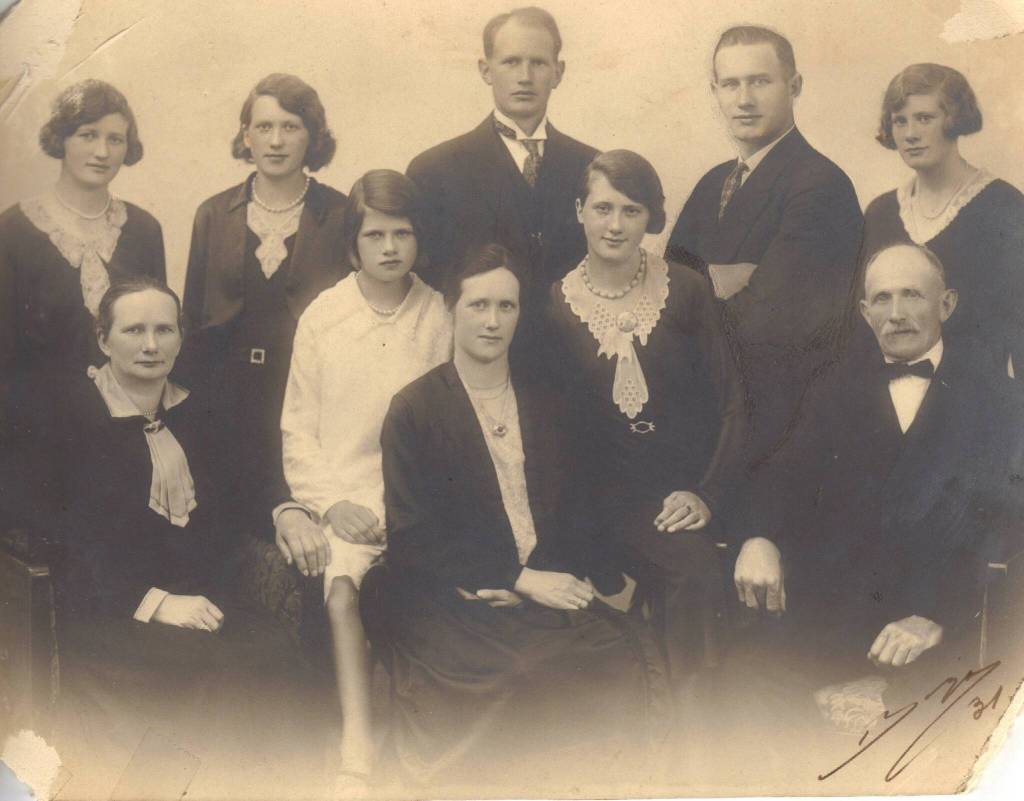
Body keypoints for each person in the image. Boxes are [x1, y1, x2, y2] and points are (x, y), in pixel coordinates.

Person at [0, 278, 324, 800]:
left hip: (200, 596)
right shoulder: (66, 416)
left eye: (163, 330)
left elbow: (248, 484)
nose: (150, 345)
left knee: (277, 654)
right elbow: (61, 537)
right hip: (105, 608)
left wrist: (286, 511)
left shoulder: (200, 410)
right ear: (103, 339)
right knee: (215, 672)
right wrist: (155, 602)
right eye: (133, 330)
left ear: (179, 338)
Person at [362, 244, 668, 791]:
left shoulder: (548, 402)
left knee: (611, 655)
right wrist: (512, 579)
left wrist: (537, 581)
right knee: (513, 674)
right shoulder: (414, 410)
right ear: (451, 311)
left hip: (540, 583)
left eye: (506, 307)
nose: (492, 320)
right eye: (478, 305)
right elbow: (413, 537)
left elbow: (575, 512)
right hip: (448, 596)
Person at [720, 244, 1024, 784]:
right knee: (732, 701)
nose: (897, 312)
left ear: (947, 304)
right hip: (838, 619)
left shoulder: (998, 400)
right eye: (882, 298)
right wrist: (759, 536)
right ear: (864, 312)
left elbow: (1005, 525)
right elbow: (778, 473)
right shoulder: (833, 385)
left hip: (945, 626)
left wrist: (935, 615)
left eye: (912, 295)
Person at [545, 150, 746, 693]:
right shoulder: (555, 306)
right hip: (596, 499)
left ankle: (692, 723)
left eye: (631, 210)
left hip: (678, 490)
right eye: (603, 208)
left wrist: (706, 494)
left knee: (697, 573)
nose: (615, 225)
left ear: (650, 217)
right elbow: (551, 434)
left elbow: (730, 400)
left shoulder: (685, 289)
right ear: (579, 211)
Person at [280, 170, 451, 790]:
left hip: (416, 494)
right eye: (374, 234)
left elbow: (447, 427)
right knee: (343, 591)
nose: (388, 248)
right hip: (343, 494)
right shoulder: (325, 317)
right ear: (353, 243)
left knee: (421, 588)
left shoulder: (438, 315)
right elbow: (299, 430)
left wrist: (410, 504)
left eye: (401, 233)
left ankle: (421, 724)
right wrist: (332, 506)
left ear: (418, 239)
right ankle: (357, 728)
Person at [664, 25, 863, 468]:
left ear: (794, 86)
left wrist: (703, 287)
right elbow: (666, 293)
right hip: (707, 418)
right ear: (713, 91)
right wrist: (727, 279)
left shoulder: (820, 184)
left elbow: (773, 325)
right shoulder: (712, 182)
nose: (744, 99)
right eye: (730, 84)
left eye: (760, 81)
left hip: (779, 433)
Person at [178, 73, 349, 556]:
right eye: (265, 126)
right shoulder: (213, 213)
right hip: (224, 397)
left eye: (291, 127)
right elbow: (193, 319)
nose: (276, 141)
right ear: (246, 135)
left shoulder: (338, 214)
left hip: (303, 393)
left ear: (312, 137)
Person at [406, 6, 597, 343]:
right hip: (478, 359)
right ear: (486, 70)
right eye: (511, 62)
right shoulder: (434, 171)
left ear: (558, 72)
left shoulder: (592, 167)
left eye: (538, 62)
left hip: (572, 363)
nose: (525, 76)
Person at [0, 79, 165, 407]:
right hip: (35, 426)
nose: (102, 152)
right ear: (62, 139)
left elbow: (157, 338)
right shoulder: (12, 231)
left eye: (115, 139)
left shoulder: (144, 230)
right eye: (88, 135)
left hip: (125, 421)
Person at [858, 63, 1024, 375]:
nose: (910, 134)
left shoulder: (1004, 207)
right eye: (900, 121)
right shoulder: (881, 213)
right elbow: (862, 328)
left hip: (979, 400)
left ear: (954, 120)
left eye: (924, 118)